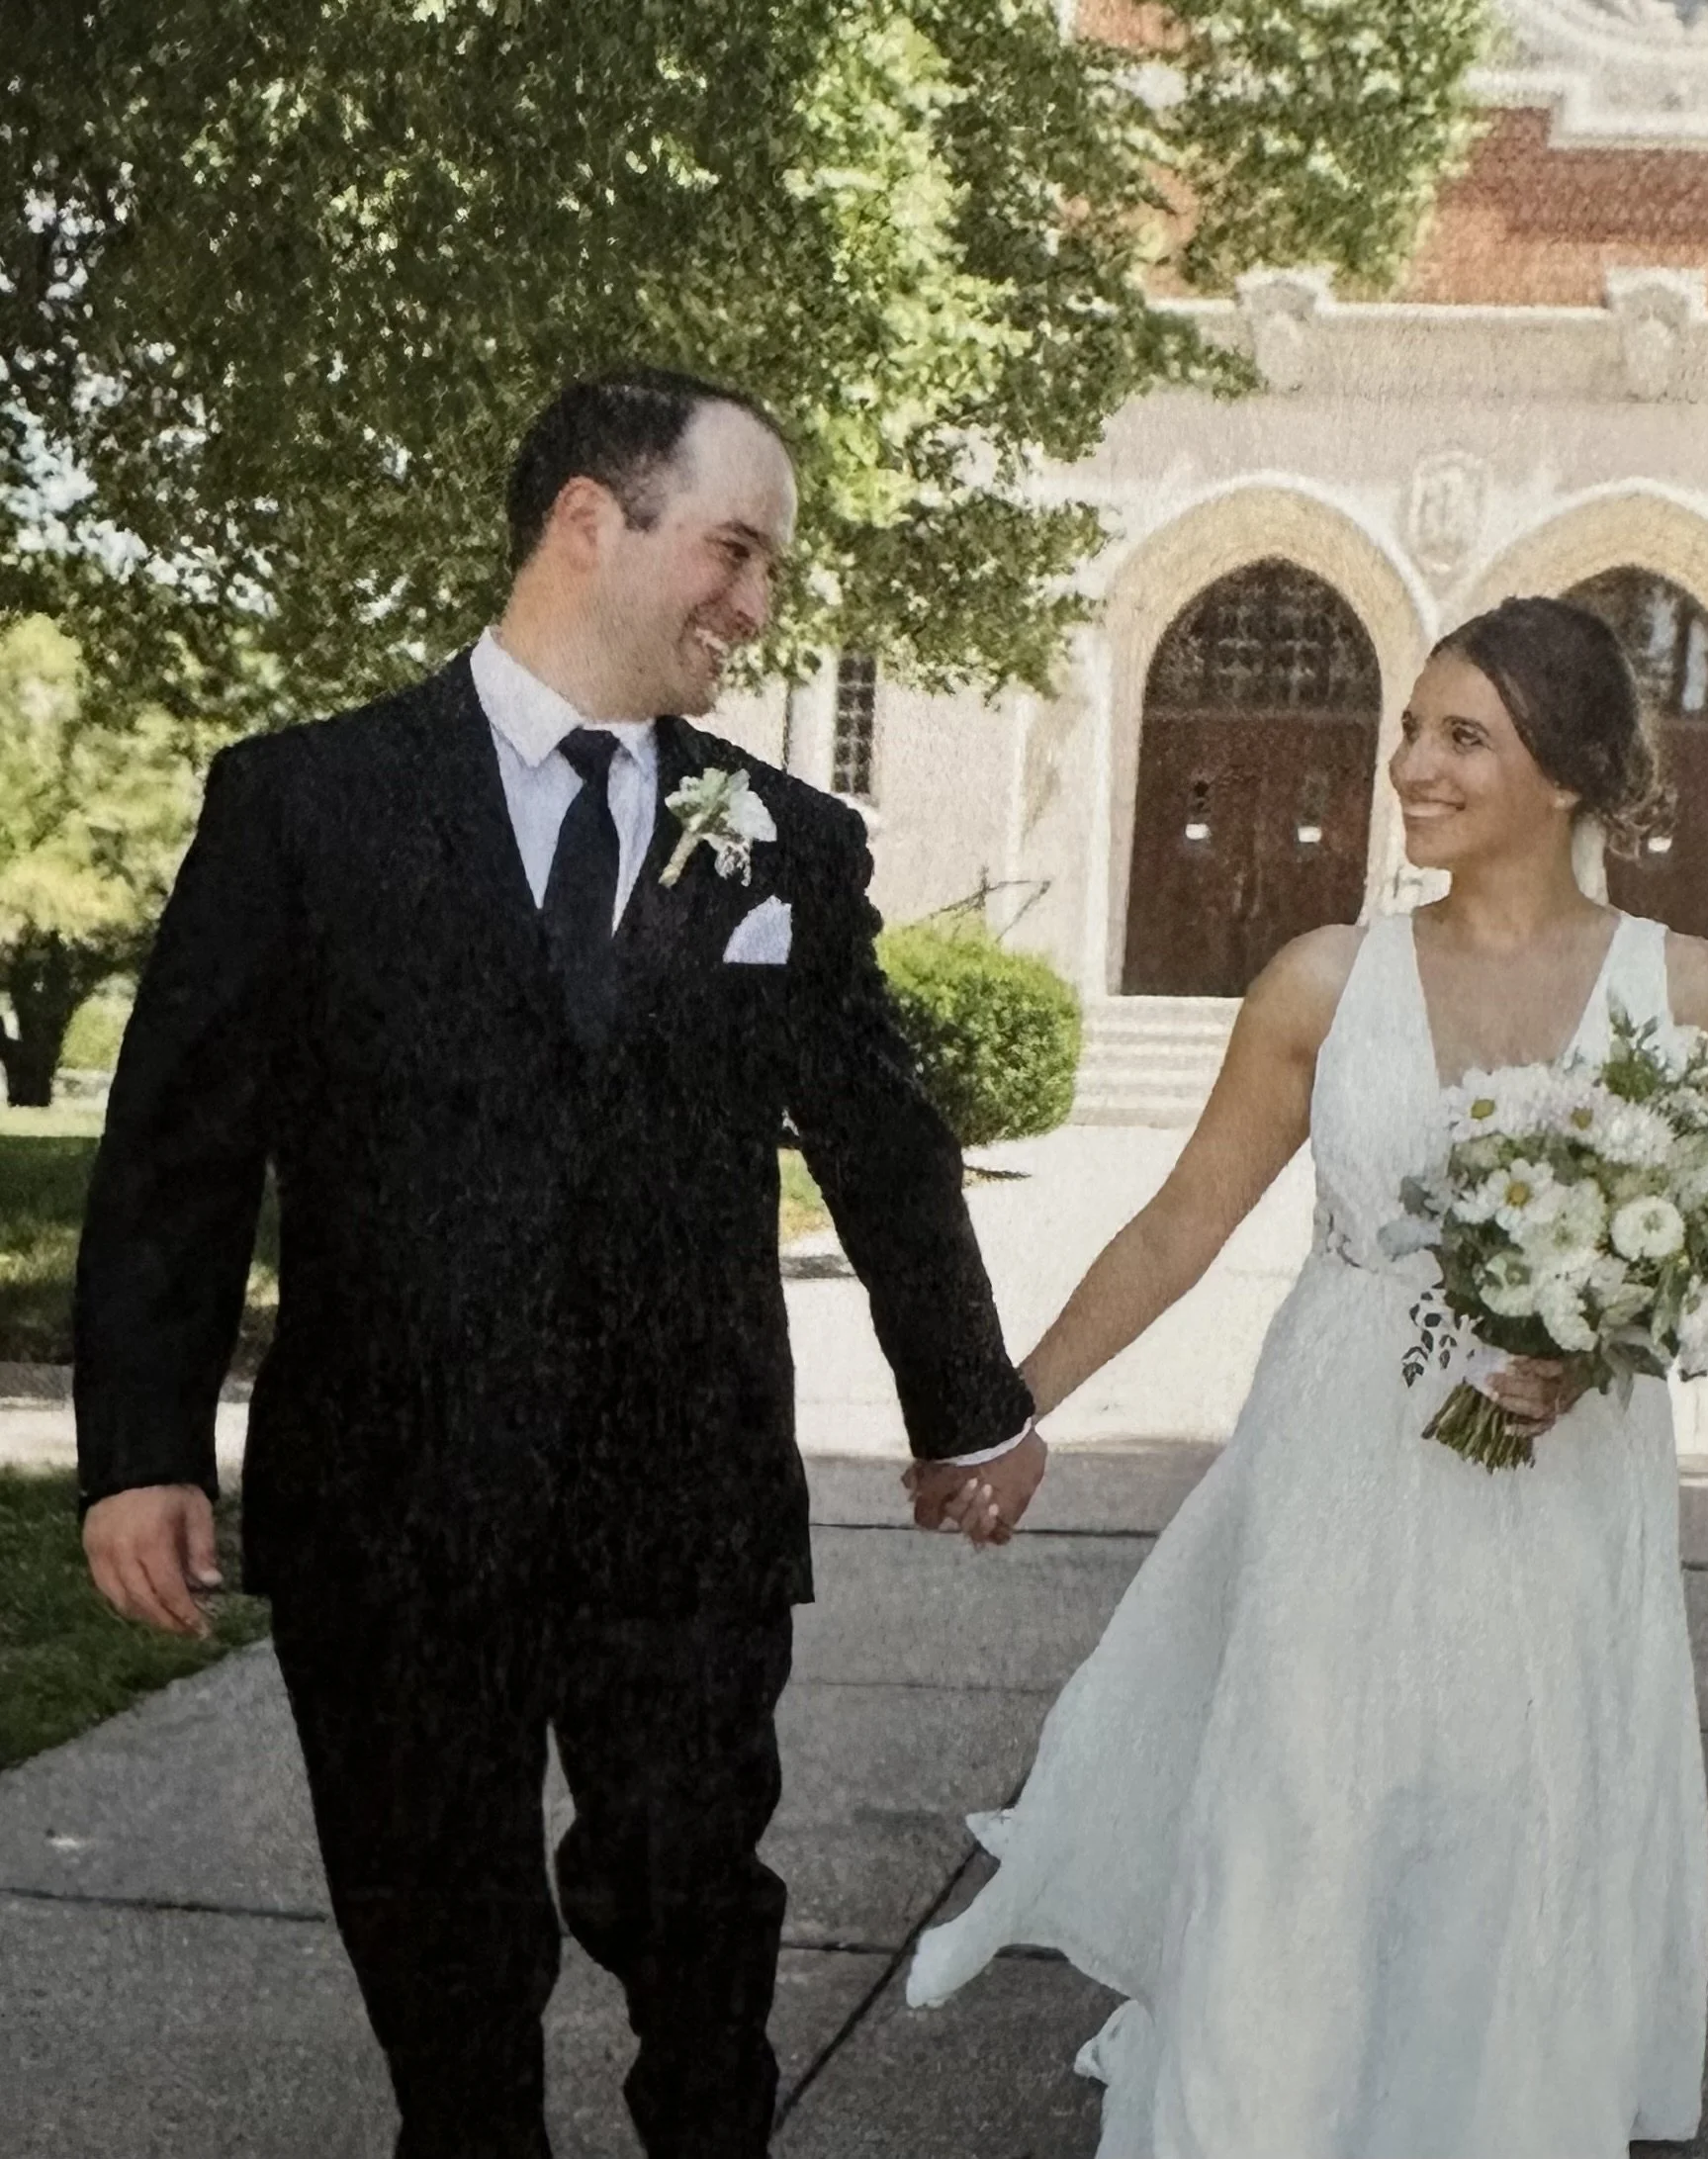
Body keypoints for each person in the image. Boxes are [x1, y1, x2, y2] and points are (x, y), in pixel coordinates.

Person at [70, 366, 1043, 2159]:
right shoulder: (303, 805)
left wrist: (969, 1405)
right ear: (593, 520)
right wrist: (140, 1446)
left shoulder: (788, 845)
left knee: (695, 1917)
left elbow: (886, 1147)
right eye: (735, 552)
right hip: (391, 1502)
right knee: (438, 1942)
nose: (756, 606)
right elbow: (178, 1157)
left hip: (682, 1507)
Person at [906, 595, 1708, 2156]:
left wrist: (1590, 1344)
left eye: (1459, 738)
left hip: (1559, 1490)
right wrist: (1003, 1409)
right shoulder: (1321, 980)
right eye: (1409, 731)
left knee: (1515, 1818)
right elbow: (1178, 1224)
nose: (1409, 768)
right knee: (1304, 1804)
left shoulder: (1686, 992)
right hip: (1340, 1466)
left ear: (1563, 771)